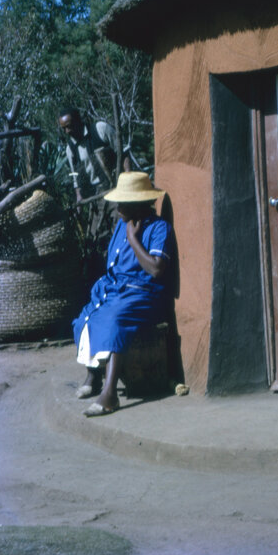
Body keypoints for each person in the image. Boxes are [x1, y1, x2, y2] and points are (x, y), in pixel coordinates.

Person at [73, 171, 175, 416]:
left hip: (144, 294)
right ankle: (94, 375)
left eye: (123, 202)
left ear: (139, 204)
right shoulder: (122, 225)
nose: (118, 207)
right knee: (87, 316)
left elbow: (156, 269)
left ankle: (110, 394)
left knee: (116, 320)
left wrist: (134, 240)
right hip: (117, 290)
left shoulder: (159, 228)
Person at [58, 108, 130, 202]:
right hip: (94, 197)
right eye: (64, 128)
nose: (67, 131)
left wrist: (128, 178)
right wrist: (79, 197)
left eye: (69, 126)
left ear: (77, 121)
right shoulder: (70, 149)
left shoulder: (100, 129)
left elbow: (123, 152)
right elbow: (75, 178)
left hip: (115, 188)